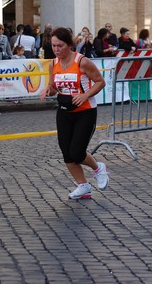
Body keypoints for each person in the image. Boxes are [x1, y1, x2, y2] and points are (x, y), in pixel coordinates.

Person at [39, 27, 109, 200]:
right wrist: (48, 90)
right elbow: (55, 88)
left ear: (69, 45)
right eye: (53, 46)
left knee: (77, 152)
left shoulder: (82, 62)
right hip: (64, 111)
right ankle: (83, 186)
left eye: (60, 46)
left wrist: (85, 95)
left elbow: (100, 82)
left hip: (85, 112)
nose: (56, 50)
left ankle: (98, 168)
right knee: (66, 153)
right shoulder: (53, 64)